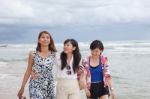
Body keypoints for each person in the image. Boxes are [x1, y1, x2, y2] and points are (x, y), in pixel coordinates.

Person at [17, 31, 57, 99]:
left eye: (47, 37)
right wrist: (22, 87)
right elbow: (28, 71)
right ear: (39, 40)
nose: (45, 39)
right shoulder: (33, 54)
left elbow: (64, 66)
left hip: (49, 84)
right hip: (35, 83)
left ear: (50, 40)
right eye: (43, 37)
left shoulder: (54, 54)